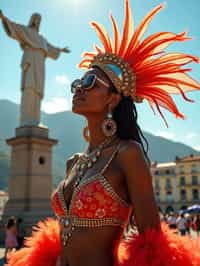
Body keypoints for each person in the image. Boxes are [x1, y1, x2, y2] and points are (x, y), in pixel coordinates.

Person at [6, 1, 200, 266]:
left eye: (89, 82)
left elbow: (153, 242)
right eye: (77, 83)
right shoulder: (74, 162)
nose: (78, 88)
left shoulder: (127, 154)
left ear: (112, 99)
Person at [0, 10, 70, 126]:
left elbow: (50, 48)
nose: (37, 21)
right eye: (36, 19)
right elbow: (13, 27)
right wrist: (3, 18)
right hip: (30, 63)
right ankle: (26, 120)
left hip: (40, 67)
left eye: (39, 20)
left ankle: (35, 120)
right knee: (29, 88)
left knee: (37, 92)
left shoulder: (42, 39)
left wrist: (61, 50)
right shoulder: (25, 31)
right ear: (32, 20)